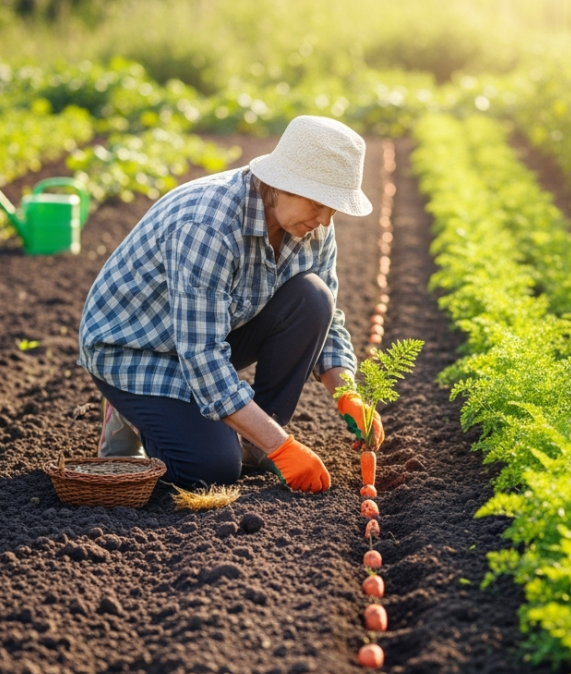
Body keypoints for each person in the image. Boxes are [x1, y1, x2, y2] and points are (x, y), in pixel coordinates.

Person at [77, 115, 383, 494]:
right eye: (320, 202)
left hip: (208, 332)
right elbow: (202, 357)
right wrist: (283, 446)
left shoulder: (312, 224)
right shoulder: (208, 225)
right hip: (136, 350)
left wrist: (347, 393)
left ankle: (256, 441)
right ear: (280, 183)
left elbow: (329, 317)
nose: (325, 219)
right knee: (212, 470)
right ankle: (133, 413)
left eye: (334, 208)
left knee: (313, 297)